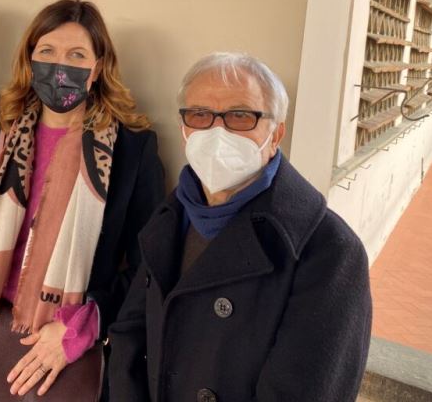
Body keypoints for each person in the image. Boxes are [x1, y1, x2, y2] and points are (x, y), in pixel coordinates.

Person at [108, 52, 372, 402]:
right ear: (184, 128)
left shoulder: (328, 251)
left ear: (276, 134)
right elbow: (130, 336)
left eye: (240, 116)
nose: (217, 131)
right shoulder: (170, 216)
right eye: (200, 114)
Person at [0, 0, 165, 400]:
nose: (60, 66)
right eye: (47, 51)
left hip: (68, 345)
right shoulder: (1, 132)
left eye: (77, 54)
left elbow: (147, 266)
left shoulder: (133, 150)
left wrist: (80, 326)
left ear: (97, 67)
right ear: (30, 61)